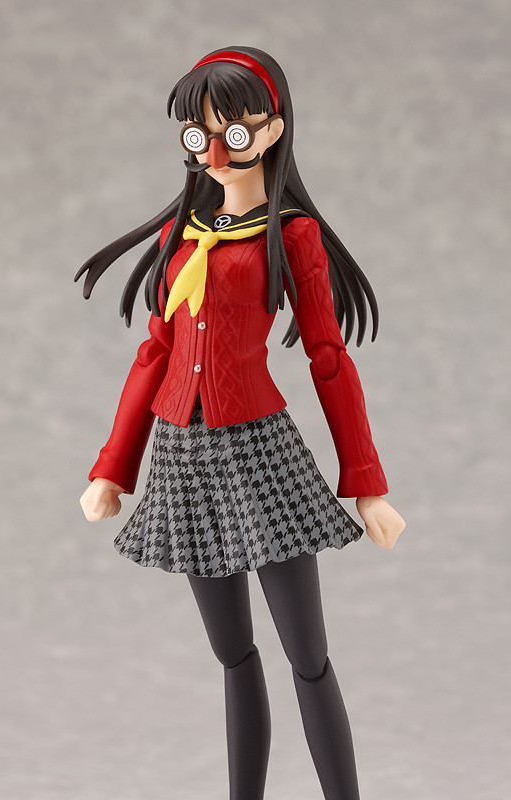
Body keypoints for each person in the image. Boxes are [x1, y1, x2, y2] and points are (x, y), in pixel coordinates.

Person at [76, 46, 405, 800]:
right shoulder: (182, 233)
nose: (217, 154)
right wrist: (112, 469)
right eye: (200, 136)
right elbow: (155, 353)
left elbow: (328, 358)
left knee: (308, 656)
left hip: (260, 451)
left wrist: (366, 483)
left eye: (236, 133)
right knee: (232, 655)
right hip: (181, 457)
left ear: (273, 128)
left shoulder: (290, 235)